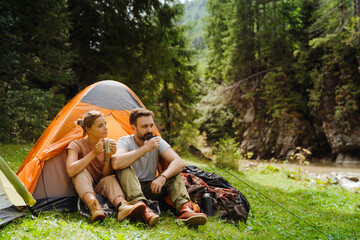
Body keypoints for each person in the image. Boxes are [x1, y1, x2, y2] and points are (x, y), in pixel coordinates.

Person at [111, 108, 207, 227]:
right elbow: (116, 163)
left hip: (151, 188)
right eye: (144, 126)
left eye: (151, 125)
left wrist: (162, 177)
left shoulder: (157, 141)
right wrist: (145, 148)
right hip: (128, 190)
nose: (149, 130)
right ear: (134, 128)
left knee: (173, 172)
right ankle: (141, 208)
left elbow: (178, 162)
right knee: (123, 166)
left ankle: (185, 209)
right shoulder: (125, 141)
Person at [66, 110, 146, 222]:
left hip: (101, 186)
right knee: (80, 171)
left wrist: (108, 156)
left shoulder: (108, 143)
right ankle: (95, 208)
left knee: (109, 179)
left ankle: (123, 207)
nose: (106, 128)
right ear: (88, 129)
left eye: (105, 124)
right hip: (84, 186)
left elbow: (106, 175)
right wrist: (93, 153)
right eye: (100, 125)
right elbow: (70, 170)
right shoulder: (76, 145)